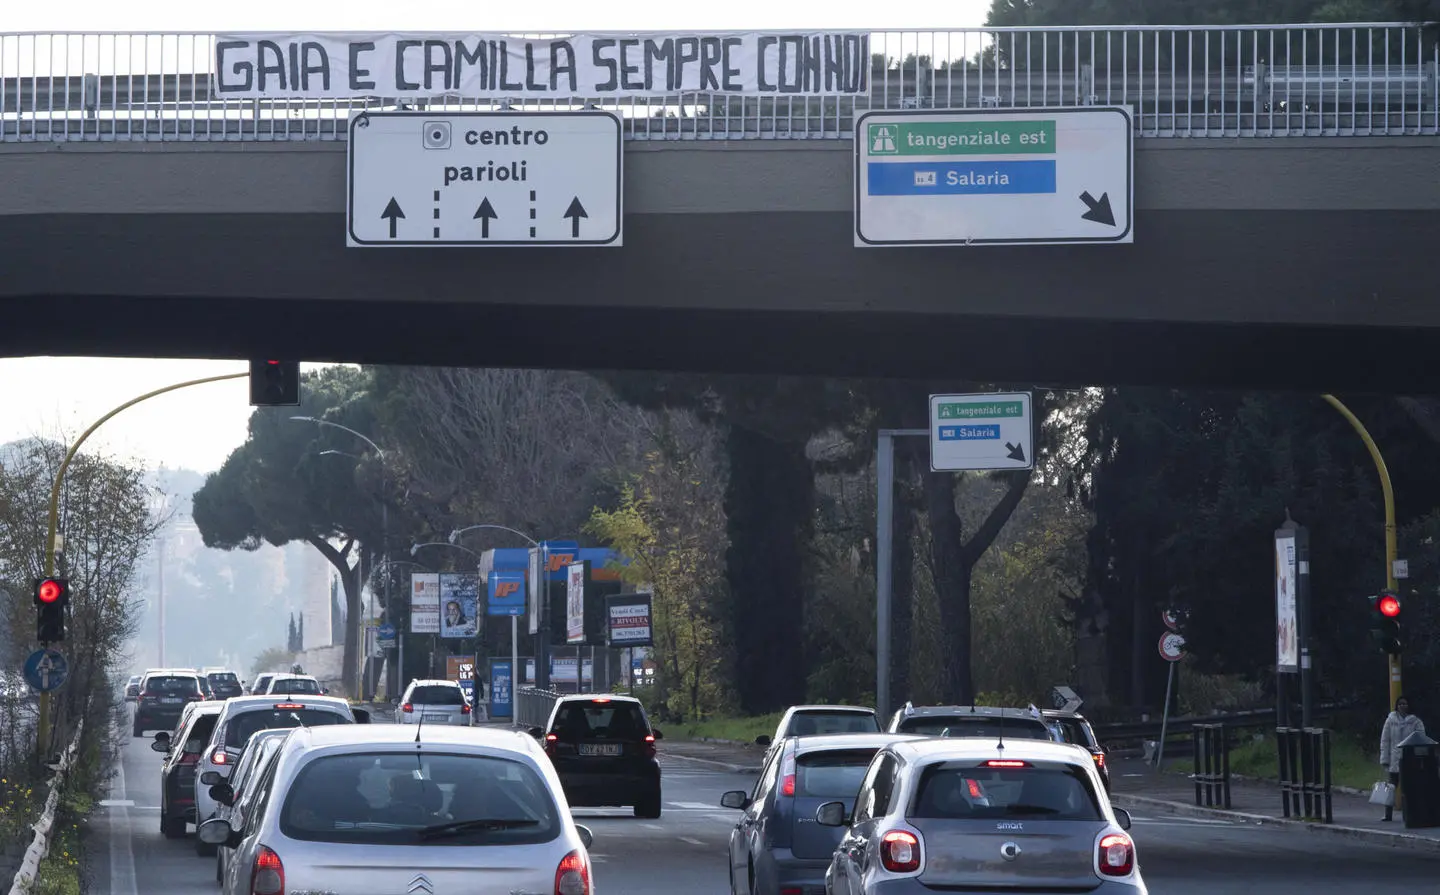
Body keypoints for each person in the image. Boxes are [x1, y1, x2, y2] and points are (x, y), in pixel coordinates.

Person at [1379, 695, 1425, 821]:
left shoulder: (1416, 721)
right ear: (1397, 706)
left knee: (1409, 789)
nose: (1403, 706)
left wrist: (1419, 758)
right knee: (1391, 788)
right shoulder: (1390, 720)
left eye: (1405, 704)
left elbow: (1421, 739)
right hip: (1394, 760)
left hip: (1409, 759)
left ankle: (1411, 814)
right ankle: (1388, 814)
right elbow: (1385, 740)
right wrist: (1384, 759)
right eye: (1400, 704)